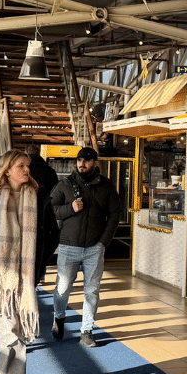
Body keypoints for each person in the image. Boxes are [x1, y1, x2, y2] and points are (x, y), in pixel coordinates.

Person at [50, 147, 122, 347]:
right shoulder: (64, 185)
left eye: (86, 161)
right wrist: (70, 208)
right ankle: (59, 317)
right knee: (63, 289)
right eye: (79, 160)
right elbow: (51, 209)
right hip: (68, 246)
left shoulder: (106, 186)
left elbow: (115, 214)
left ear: (94, 163)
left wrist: (103, 242)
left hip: (94, 248)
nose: (82, 164)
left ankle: (87, 332)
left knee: (92, 291)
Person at [0, 149, 41, 374]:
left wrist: (37, 269)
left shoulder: (35, 196)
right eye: (21, 166)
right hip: (3, 279)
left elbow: (47, 235)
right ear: (7, 169)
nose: (26, 170)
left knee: (15, 332)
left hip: (27, 276)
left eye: (27, 166)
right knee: (10, 331)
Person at [25, 145, 60, 287]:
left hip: (28, 209)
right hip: (45, 210)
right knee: (42, 242)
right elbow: (56, 188)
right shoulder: (49, 170)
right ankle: (42, 275)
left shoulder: (26, 170)